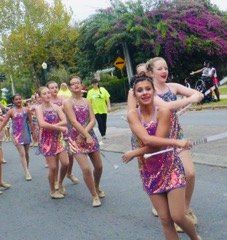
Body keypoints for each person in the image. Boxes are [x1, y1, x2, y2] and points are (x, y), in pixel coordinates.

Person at [127, 57, 203, 232]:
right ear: (151, 73)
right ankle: (164, 207)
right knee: (157, 175)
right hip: (154, 140)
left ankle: (183, 209)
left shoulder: (173, 86)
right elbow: (167, 106)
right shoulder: (148, 93)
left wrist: (196, 95)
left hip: (177, 135)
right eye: (159, 68)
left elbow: (191, 93)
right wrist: (190, 99)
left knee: (189, 173)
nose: (164, 71)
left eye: (166, 68)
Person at [63, 76, 105, 207]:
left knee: (99, 167)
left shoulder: (87, 101)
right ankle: (94, 195)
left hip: (89, 136)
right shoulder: (67, 103)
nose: (75, 85)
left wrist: (86, 134)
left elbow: (93, 120)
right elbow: (73, 121)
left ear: (82, 85)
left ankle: (96, 186)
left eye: (78, 83)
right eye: (72, 84)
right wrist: (84, 135)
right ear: (69, 87)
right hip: (75, 139)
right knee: (86, 169)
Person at [36, 87, 69, 199]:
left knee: (65, 163)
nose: (47, 95)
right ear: (40, 96)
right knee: (53, 167)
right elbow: (42, 124)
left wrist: (57, 127)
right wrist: (59, 128)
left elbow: (65, 120)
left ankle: (59, 183)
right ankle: (52, 190)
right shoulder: (39, 108)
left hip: (58, 139)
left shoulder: (56, 107)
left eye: (48, 93)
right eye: (44, 93)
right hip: (46, 141)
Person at [46, 81, 79, 185]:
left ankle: (69, 173)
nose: (55, 89)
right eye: (52, 88)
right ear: (48, 90)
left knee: (71, 154)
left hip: (66, 128)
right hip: (54, 132)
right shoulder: (47, 102)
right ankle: (56, 180)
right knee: (56, 158)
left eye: (56, 87)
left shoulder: (63, 100)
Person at [0, 94, 33, 181]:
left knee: (27, 153)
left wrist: (33, 132)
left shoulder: (27, 110)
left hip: (26, 133)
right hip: (16, 135)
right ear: (13, 101)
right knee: (22, 154)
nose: (18, 101)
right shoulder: (11, 111)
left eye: (20, 99)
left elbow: (31, 122)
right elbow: (4, 122)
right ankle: (27, 172)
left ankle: (26, 168)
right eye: (16, 99)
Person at [87, 79, 111, 143]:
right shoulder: (90, 92)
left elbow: (107, 98)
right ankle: (102, 135)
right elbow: (88, 102)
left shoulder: (102, 89)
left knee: (104, 123)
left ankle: (104, 133)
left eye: (95, 83)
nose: (94, 84)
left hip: (103, 109)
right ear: (92, 84)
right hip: (95, 110)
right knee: (100, 122)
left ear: (97, 83)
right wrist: (90, 111)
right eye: (93, 83)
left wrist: (109, 106)